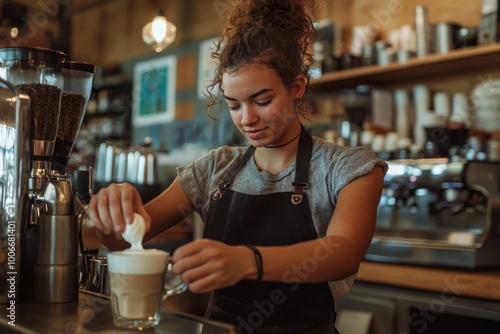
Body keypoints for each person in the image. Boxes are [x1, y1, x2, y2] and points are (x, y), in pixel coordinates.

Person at [88, 0, 388, 332]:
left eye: (262, 101)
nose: (247, 119)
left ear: (297, 88)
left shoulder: (348, 168)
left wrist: (248, 261)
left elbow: (343, 253)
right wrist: (112, 214)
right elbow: (120, 241)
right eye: (233, 105)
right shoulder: (213, 169)